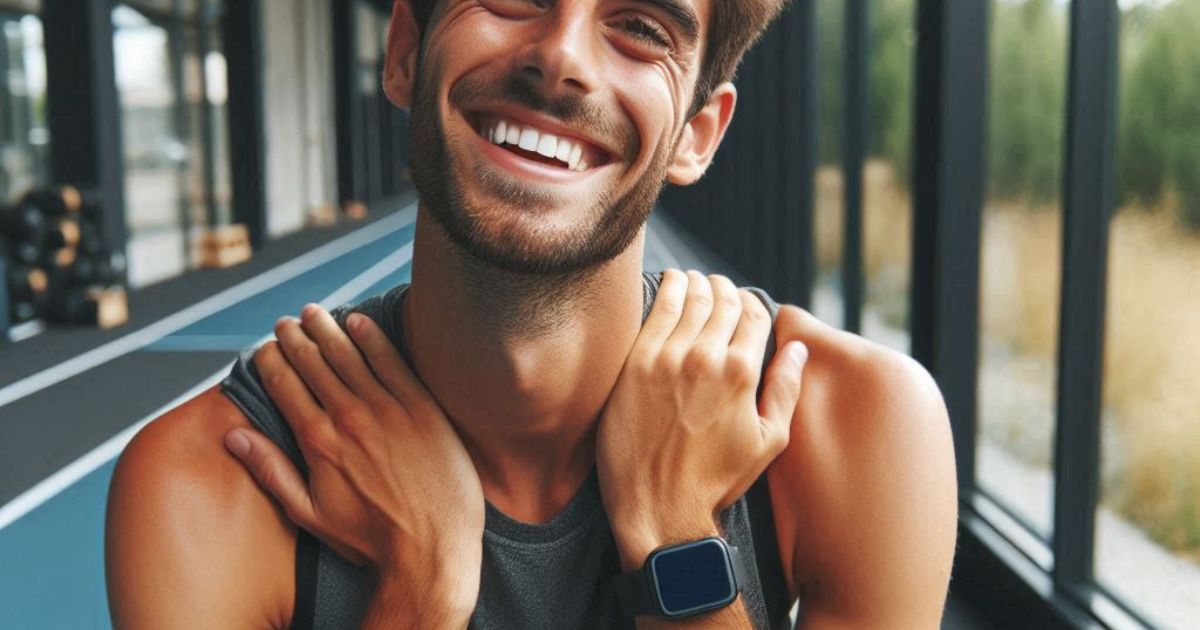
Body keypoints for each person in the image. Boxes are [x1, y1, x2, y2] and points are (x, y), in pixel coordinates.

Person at [105, 0, 958, 628]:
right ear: (405, 49)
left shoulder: (858, 426)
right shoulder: (207, 483)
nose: (561, 57)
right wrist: (420, 588)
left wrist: (674, 542)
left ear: (698, 132)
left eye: (642, 28)